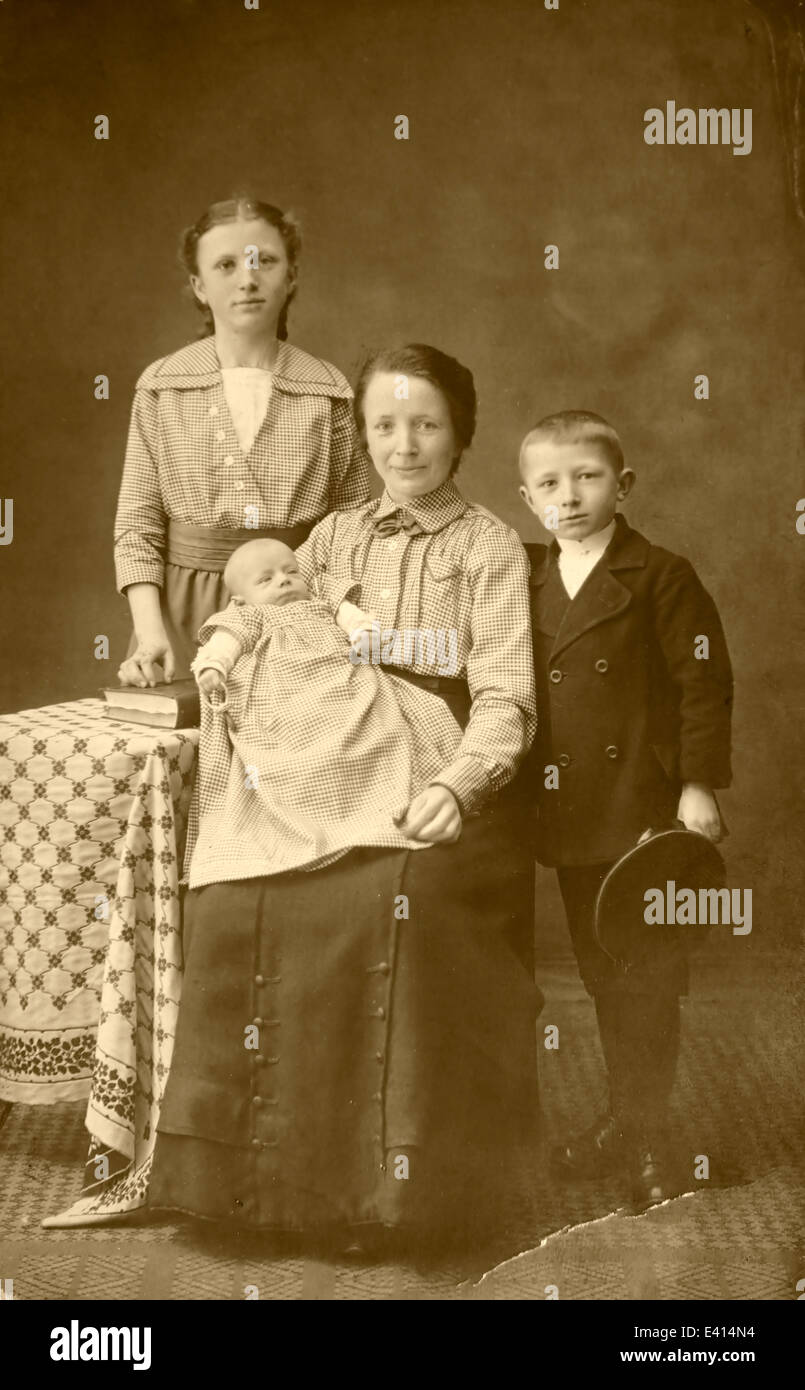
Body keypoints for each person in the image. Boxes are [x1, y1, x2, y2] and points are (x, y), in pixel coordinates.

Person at [146, 344, 541, 1250]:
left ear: (461, 433)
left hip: (427, 756)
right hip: (319, 746)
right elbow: (273, 634)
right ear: (363, 437)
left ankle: (385, 1200)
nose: (406, 445)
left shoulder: (482, 545)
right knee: (239, 886)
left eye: (427, 424)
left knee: (393, 900)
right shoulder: (331, 537)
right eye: (385, 425)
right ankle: (252, 1191)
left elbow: (507, 694)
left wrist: (459, 785)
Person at [518, 409, 733, 1206]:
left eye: (587, 477)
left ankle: (652, 1138)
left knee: (648, 974)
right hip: (569, 811)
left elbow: (701, 686)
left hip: (642, 811)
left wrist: (697, 783)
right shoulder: (530, 577)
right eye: (548, 484)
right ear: (527, 496)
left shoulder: (661, 574)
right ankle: (624, 1116)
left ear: (624, 484)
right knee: (602, 973)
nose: (568, 497)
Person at [114, 195, 369, 688]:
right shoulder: (163, 385)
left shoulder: (328, 389)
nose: (247, 280)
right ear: (199, 286)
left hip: (296, 609)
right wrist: (151, 634)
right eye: (226, 265)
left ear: (291, 276)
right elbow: (138, 527)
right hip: (179, 615)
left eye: (264, 261)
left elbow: (350, 533)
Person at [185, 536, 465, 881]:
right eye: (266, 579)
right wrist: (214, 667)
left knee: (381, 723)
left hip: (342, 681)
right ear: (240, 599)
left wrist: (363, 633)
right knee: (290, 746)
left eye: (290, 571)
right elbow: (226, 643)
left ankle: (376, 805)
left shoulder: (321, 598)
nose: (283, 580)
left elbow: (354, 618)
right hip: (286, 694)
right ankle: (313, 817)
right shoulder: (251, 616)